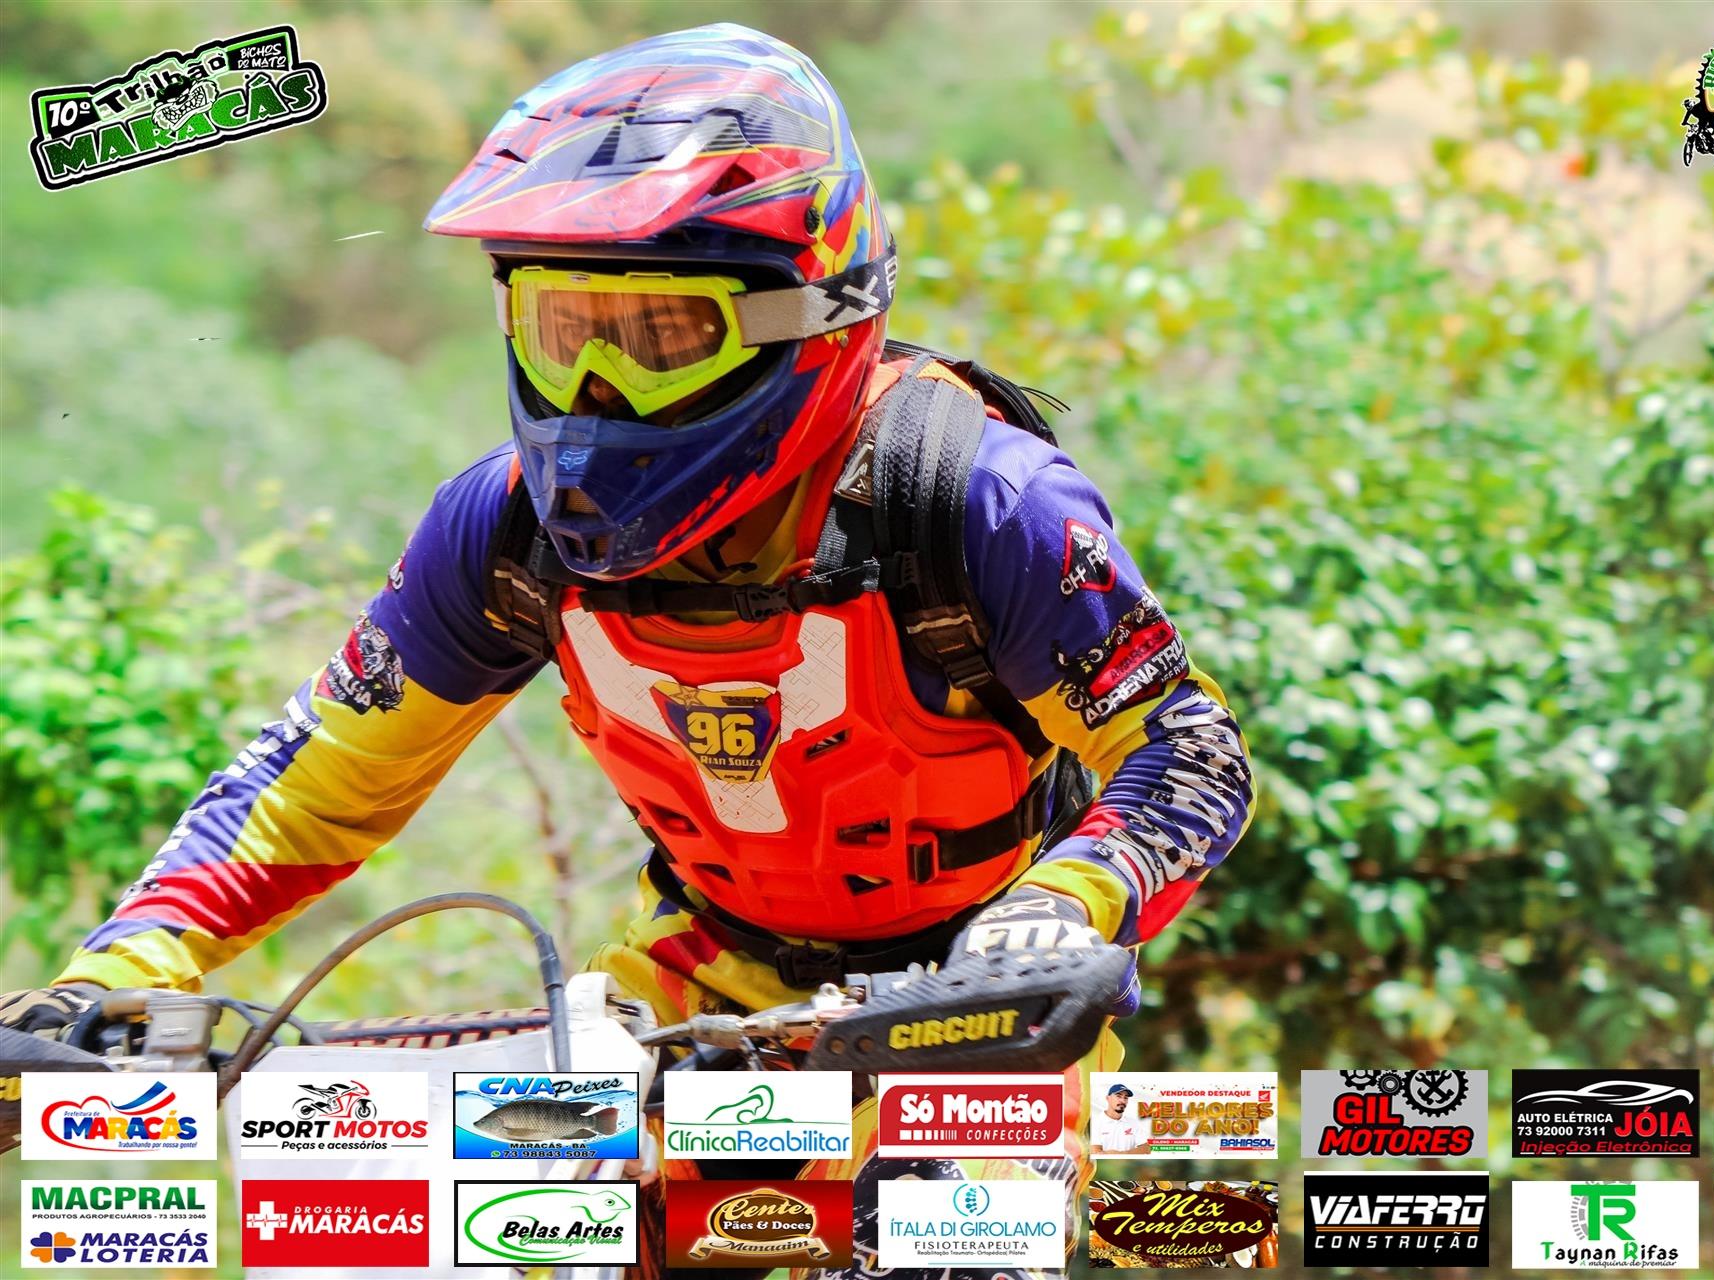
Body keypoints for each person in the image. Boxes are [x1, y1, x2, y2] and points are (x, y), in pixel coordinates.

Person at [0, 23, 1253, 1277]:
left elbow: (1189, 749)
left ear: (808, 317)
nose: (594, 391)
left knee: (947, 1252)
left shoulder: (974, 500)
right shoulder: (506, 532)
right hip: (696, 986)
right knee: (506, 1240)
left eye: (659, 337)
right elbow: (307, 786)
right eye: (563, 331)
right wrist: (109, 975)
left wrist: (1059, 908)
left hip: (972, 1017)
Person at [1090, 1083, 1147, 1155]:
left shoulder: (1133, 1123)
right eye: (1118, 1096)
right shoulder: (1095, 1122)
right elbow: (1096, 1151)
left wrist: (1124, 1154)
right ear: (1108, 1098)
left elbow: (1146, 1148)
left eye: (1125, 1098)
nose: (1123, 1101)